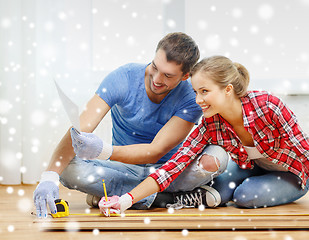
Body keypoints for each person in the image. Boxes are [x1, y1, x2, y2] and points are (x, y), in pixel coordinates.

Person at [98, 55, 309, 215]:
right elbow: (174, 166)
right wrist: (124, 201)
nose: (198, 99)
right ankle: (168, 199)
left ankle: (191, 196)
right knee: (218, 191)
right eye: (196, 92)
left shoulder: (267, 105)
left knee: (244, 197)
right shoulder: (210, 123)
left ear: (227, 90)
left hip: (292, 173)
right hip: (250, 169)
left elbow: (304, 149)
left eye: (204, 91)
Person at [33, 32, 207, 218]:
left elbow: (156, 150)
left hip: (167, 169)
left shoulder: (191, 96)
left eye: (167, 75)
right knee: (67, 169)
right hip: (124, 167)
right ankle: (164, 198)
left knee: (214, 163)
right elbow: (80, 129)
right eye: (155, 67)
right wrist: (50, 176)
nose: (156, 79)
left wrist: (104, 150)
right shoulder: (123, 78)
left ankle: (115, 193)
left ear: (184, 76)